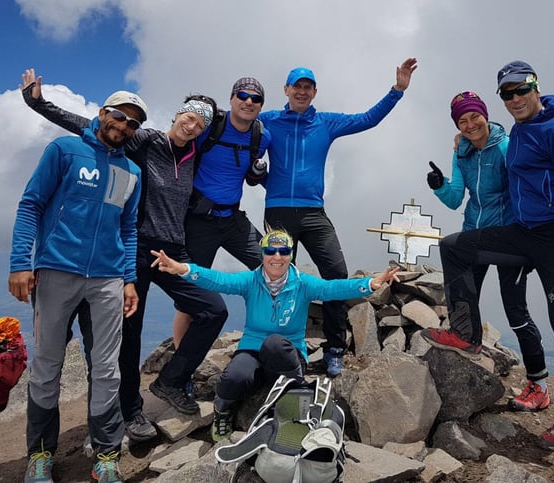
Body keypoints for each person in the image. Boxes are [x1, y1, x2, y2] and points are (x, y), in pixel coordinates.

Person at [21, 69, 227, 433]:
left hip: (174, 250)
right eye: (189, 117)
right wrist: (39, 104)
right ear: (178, 115)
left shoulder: (196, 155)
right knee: (129, 334)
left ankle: (170, 381)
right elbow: (97, 127)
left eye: (200, 124)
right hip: (138, 247)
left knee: (212, 309)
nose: (192, 126)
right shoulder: (145, 140)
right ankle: (130, 411)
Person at [438, 61, 554, 451]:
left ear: (535, 88)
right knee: (454, 246)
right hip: (522, 233)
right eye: (506, 94)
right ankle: (465, 333)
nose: (514, 99)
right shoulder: (520, 133)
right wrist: (462, 150)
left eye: (520, 90)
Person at [9, 89, 146, 483]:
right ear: (103, 112)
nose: (124, 126)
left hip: (107, 280)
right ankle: (40, 456)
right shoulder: (64, 150)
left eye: (133, 123)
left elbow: (127, 227)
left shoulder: (132, 173)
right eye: (119, 116)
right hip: (56, 271)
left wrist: (129, 280)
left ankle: (106, 457)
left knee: (107, 369)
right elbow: (31, 204)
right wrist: (22, 263)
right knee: (47, 366)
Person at [150, 230, 400, 441]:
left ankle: (294, 393)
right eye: (270, 251)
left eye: (283, 252)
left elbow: (332, 288)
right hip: (252, 349)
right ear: (263, 254)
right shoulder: (250, 280)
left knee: (274, 344)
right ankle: (223, 411)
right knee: (233, 377)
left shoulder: (302, 283)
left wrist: (369, 284)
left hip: (287, 352)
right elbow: (218, 280)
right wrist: (183, 269)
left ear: (290, 255)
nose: (277, 257)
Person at [257, 58, 417, 376]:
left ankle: (333, 349)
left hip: (313, 211)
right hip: (278, 211)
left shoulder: (326, 122)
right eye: (296, 86)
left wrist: (397, 90)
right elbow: (247, 149)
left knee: (337, 274)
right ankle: (273, 349)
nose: (302, 92)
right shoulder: (268, 121)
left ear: (314, 91)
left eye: (307, 87)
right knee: (275, 279)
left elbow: (367, 119)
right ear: (286, 89)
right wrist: (260, 175)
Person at [423, 93, 549, 407]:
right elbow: (455, 199)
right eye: (462, 121)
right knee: (464, 299)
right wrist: (439, 186)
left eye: (474, 117)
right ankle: (467, 342)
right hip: (474, 235)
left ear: (486, 116)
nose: (470, 125)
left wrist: (533, 239)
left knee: (516, 313)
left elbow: (526, 190)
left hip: (507, 238)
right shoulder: (462, 153)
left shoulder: (506, 147)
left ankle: (539, 387)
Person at [184, 77, 272, 271]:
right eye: (242, 95)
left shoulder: (262, 137)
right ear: (231, 99)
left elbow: (250, 179)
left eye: (255, 99)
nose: (248, 102)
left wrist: (257, 173)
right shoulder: (210, 127)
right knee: (195, 286)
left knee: (274, 265)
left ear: (260, 106)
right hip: (199, 221)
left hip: (233, 220)